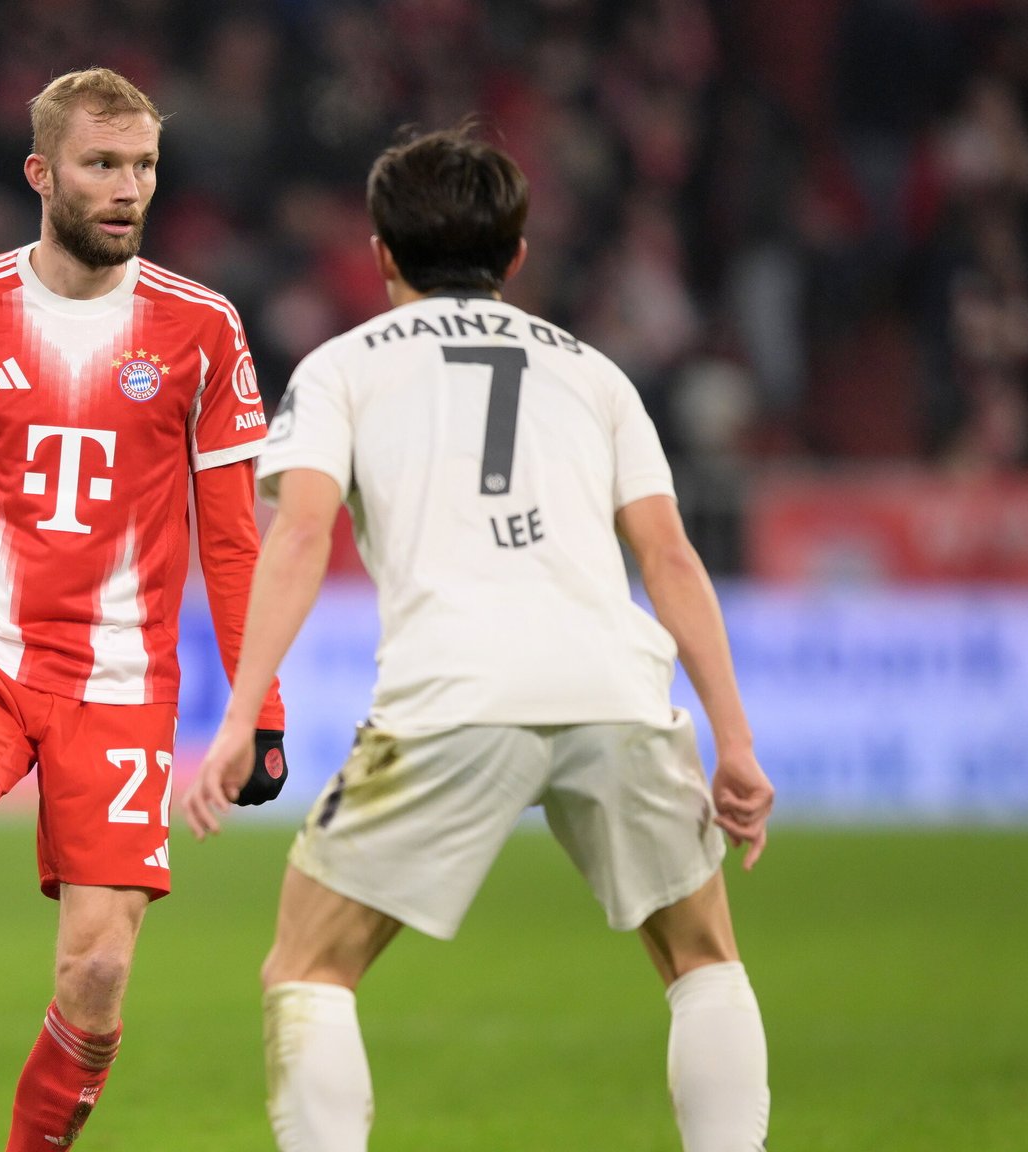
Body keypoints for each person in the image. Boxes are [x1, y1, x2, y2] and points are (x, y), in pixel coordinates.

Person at [182, 124, 775, 1152]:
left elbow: (302, 535)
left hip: (453, 686)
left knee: (307, 968)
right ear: (515, 257)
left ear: (377, 253)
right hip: (614, 686)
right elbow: (668, 558)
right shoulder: (594, 373)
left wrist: (239, 716)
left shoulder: (340, 368)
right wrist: (734, 742)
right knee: (701, 959)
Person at [0, 68, 291, 1152]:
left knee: (97, 972)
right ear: (41, 173)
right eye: (101, 165)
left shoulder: (202, 330)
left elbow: (232, 542)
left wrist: (256, 711)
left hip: (122, 678)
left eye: (142, 167)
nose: (127, 189)